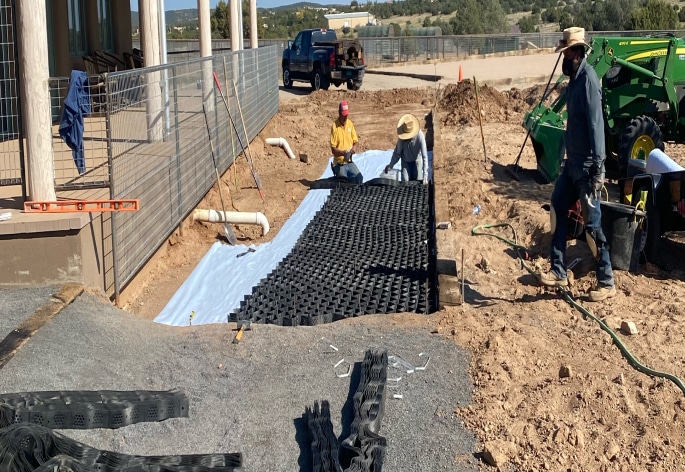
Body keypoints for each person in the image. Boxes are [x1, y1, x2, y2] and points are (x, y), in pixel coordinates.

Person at [540, 26, 616, 302]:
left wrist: (599, 167)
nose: (563, 57)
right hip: (572, 165)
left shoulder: (588, 80)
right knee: (558, 208)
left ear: (577, 52)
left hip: (586, 168)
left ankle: (606, 281)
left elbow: (596, 127)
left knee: (592, 227)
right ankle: (558, 271)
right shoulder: (573, 80)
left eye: (566, 52)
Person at [384, 113, 429, 184]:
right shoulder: (402, 138)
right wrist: (391, 165)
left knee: (418, 181)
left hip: (416, 160)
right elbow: (397, 153)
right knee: (405, 182)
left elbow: (425, 156)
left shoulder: (420, 136)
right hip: (405, 162)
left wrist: (425, 175)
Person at [330, 100, 363, 184]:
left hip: (348, 161)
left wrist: (354, 147)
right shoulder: (335, 126)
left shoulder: (350, 124)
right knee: (344, 182)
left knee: (359, 178)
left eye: (346, 115)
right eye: (344, 115)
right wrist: (343, 153)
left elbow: (356, 141)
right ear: (339, 113)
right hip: (339, 163)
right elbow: (333, 149)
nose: (345, 117)